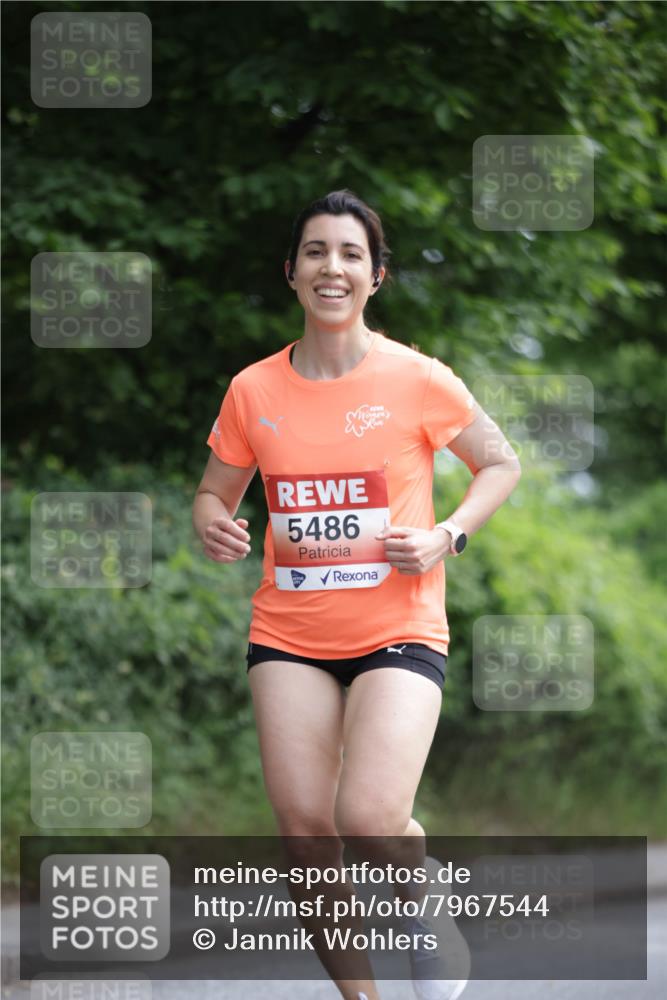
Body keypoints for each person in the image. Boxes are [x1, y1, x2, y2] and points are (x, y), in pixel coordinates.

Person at [193, 189, 522, 1000]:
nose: (330, 267)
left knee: (369, 818)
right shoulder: (252, 390)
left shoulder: (416, 377)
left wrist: (448, 533)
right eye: (314, 252)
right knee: (307, 833)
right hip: (289, 633)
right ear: (291, 273)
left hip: (398, 627)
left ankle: (424, 899)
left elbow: (500, 463)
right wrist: (213, 523)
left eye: (348, 254)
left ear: (375, 276)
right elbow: (213, 494)